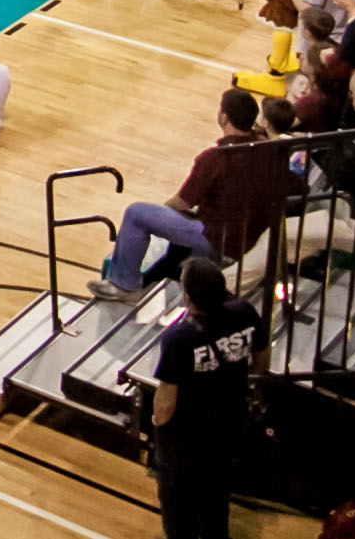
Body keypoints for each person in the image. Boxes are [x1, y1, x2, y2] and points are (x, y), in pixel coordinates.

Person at [94, 90, 292, 297]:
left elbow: (183, 202)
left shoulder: (215, 159)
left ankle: (124, 286)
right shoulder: (269, 148)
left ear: (223, 117)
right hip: (254, 231)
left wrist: (165, 210)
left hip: (218, 237)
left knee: (137, 214)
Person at [145, 256, 261, 539]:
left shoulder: (179, 339)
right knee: (216, 503)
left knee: (178, 515)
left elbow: (166, 403)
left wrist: (157, 423)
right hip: (228, 427)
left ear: (187, 296)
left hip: (185, 442)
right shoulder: (245, 312)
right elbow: (260, 357)